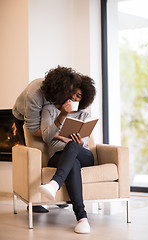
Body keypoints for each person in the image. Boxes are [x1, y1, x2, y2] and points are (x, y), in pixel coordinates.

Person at [12, 66, 81, 213]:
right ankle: (35, 201)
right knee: (35, 155)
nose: (71, 96)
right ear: (58, 94)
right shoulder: (34, 96)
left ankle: (57, 192)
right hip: (24, 117)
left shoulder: (58, 91)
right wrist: (59, 136)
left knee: (58, 152)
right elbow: (34, 130)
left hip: (45, 112)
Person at [39, 74, 96, 233]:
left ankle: (54, 184)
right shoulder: (49, 110)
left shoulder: (83, 114)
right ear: (65, 91)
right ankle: (82, 218)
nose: (74, 97)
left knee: (73, 146)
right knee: (73, 163)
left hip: (82, 154)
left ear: (83, 99)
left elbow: (85, 142)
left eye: (79, 96)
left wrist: (78, 142)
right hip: (58, 157)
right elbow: (46, 137)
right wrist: (62, 114)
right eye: (72, 92)